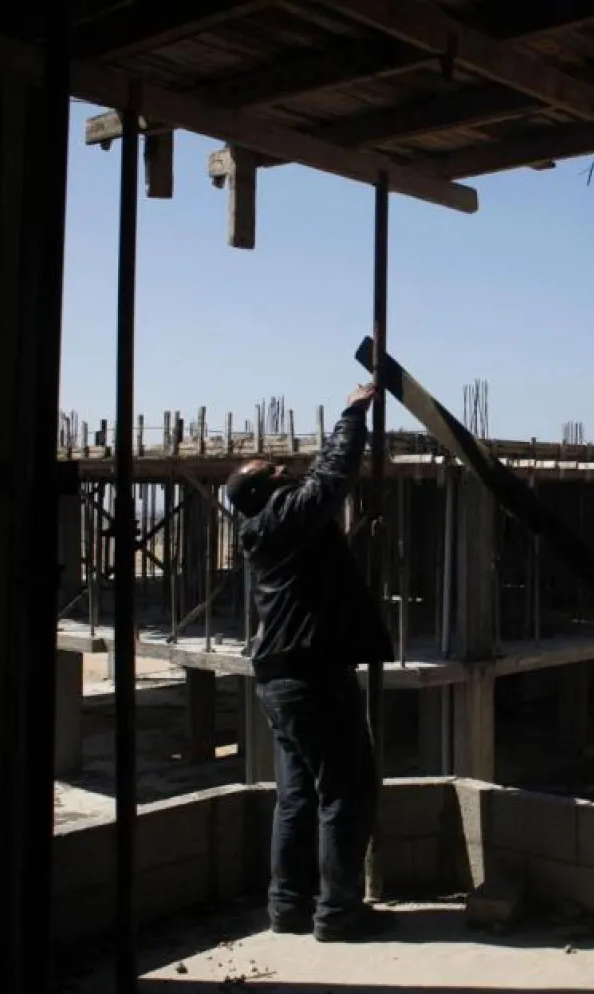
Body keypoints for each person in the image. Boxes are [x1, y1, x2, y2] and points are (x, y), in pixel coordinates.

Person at [225, 382, 395, 942]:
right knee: (347, 791)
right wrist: (353, 413)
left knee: (297, 796)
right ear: (263, 491)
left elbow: (320, 483)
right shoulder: (282, 518)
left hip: (281, 679)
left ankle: (288, 908)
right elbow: (331, 477)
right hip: (312, 676)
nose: (284, 470)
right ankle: (339, 913)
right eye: (274, 470)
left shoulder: (266, 530)